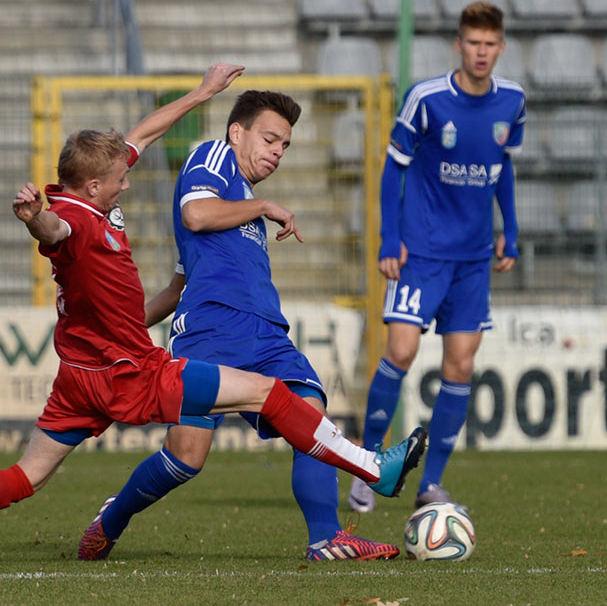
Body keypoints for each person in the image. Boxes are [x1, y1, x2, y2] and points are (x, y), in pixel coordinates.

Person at [0, 64, 426, 569]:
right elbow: (55, 232)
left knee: (26, 475)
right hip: (132, 372)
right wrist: (34, 219)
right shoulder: (77, 222)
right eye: (121, 178)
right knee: (268, 394)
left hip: (78, 380)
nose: (129, 180)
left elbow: (143, 137)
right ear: (95, 185)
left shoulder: (94, 197)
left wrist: (202, 91)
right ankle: (375, 469)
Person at [77, 90, 409, 563]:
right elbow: (195, 212)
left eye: (285, 145)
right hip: (210, 331)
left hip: (266, 333)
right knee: (186, 457)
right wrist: (264, 207)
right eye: (270, 138)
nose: (277, 151)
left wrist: (120, 329)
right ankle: (110, 522)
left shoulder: (242, 202)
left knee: (310, 411)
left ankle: (326, 538)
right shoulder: (214, 158)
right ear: (237, 132)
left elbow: (175, 288)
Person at [347, 1, 525, 514]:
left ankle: (432, 483)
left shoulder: (512, 101)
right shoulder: (426, 98)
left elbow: (503, 168)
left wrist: (508, 232)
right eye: (473, 43)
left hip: (472, 261)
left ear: (501, 47)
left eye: (490, 44)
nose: (481, 53)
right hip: (422, 252)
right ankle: (368, 464)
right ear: (459, 44)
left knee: (461, 365)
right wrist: (390, 239)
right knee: (400, 351)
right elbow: (392, 168)